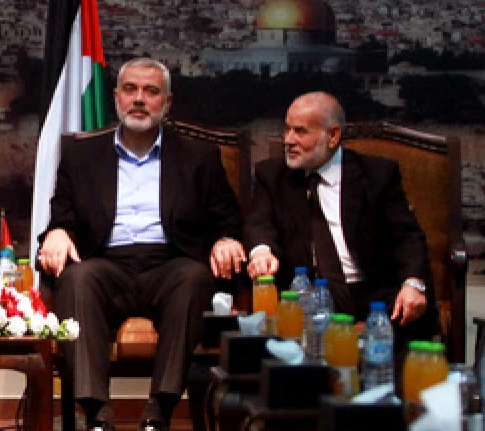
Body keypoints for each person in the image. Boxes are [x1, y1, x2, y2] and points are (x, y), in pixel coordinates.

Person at [37, 58, 244, 431]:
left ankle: (159, 410)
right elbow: (62, 216)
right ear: (116, 97)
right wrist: (56, 233)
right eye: (131, 89)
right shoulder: (82, 156)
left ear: (167, 103)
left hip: (172, 263)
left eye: (151, 92)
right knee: (76, 280)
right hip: (104, 264)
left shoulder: (199, 157)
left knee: (194, 279)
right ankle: (97, 412)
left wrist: (226, 240)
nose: (139, 99)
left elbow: (227, 219)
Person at [245, 92, 438, 342]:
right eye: (287, 130)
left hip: (371, 294)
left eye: (300, 131)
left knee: (410, 314)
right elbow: (259, 222)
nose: (288, 140)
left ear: (333, 135)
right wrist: (261, 251)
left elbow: (406, 237)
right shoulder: (271, 176)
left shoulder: (377, 175)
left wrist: (413, 284)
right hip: (309, 293)